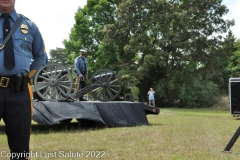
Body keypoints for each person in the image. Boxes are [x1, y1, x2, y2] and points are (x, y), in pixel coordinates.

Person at [0, 0, 46, 159]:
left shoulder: (30, 26)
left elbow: (41, 56)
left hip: (19, 91)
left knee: (20, 149)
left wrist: (27, 77)